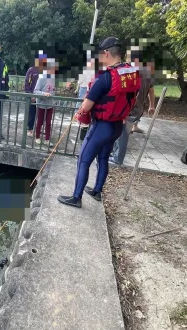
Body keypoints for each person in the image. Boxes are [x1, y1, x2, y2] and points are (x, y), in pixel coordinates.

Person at [57, 37, 141, 208]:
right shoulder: (130, 73)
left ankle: (76, 197)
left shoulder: (105, 77)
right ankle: (96, 191)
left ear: (106, 53)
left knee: (83, 160)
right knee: (103, 158)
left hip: (102, 126)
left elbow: (87, 104)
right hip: (118, 126)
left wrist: (80, 112)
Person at [109, 50, 155, 165]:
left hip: (129, 109)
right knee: (120, 132)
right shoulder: (147, 73)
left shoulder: (131, 71)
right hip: (137, 109)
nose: (126, 59)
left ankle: (118, 158)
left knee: (122, 135)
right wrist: (151, 106)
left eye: (127, 57)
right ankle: (114, 153)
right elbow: (152, 91)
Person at [33, 57, 58, 146]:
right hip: (41, 104)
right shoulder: (42, 78)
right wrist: (44, 94)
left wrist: (53, 92)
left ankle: (47, 139)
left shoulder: (53, 78)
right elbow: (35, 91)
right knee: (39, 122)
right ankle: (37, 137)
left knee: (48, 123)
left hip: (50, 104)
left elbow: (53, 90)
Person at [24, 54, 42, 137]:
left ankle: (39, 129)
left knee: (41, 114)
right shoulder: (31, 70)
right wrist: (31, 96)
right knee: (32, 113)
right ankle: (30, 129)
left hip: (42, 97)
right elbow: (27, 84)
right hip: (32, 97)